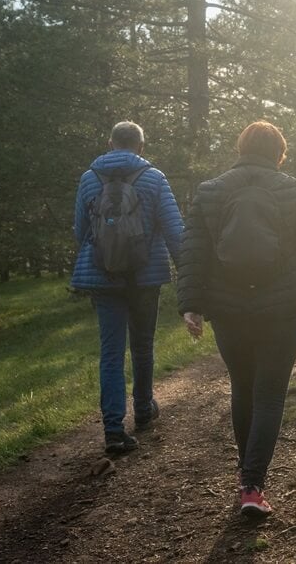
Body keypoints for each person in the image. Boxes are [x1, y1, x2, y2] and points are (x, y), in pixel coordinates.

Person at [177, 121, 296, 519]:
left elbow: (193, 253)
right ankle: (253, 487)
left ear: (240, 148)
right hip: (282, 309)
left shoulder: (210, 191)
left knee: (242, 388)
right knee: (269, 395)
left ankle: (245, 478)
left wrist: (191, 305)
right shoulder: (290, 189)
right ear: (279, 153)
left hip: (229, 311)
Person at [71, 121, 185, 455]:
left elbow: (80, 231)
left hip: (103, 277)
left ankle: (113, 431)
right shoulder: (154, 178)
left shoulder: (89, 178)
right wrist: (191, 275)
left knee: (110, 352)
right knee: (142, 345)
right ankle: (145, 411)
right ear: (141, 146)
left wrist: (107, 252)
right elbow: (175, 232)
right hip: (145, 276)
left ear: (110, 143)